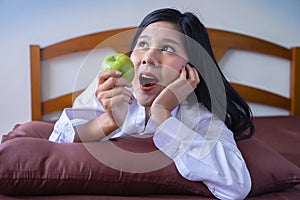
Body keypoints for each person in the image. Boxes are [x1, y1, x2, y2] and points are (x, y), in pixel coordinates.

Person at [49, 8, 254, 199]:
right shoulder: (110, 90)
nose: (148, 57)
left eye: (167, 48)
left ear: (190, 70)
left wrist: (162, 113)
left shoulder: (200, 118)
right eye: (143, 44)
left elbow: (236, 185)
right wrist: (110, 121)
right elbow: (55, 145)